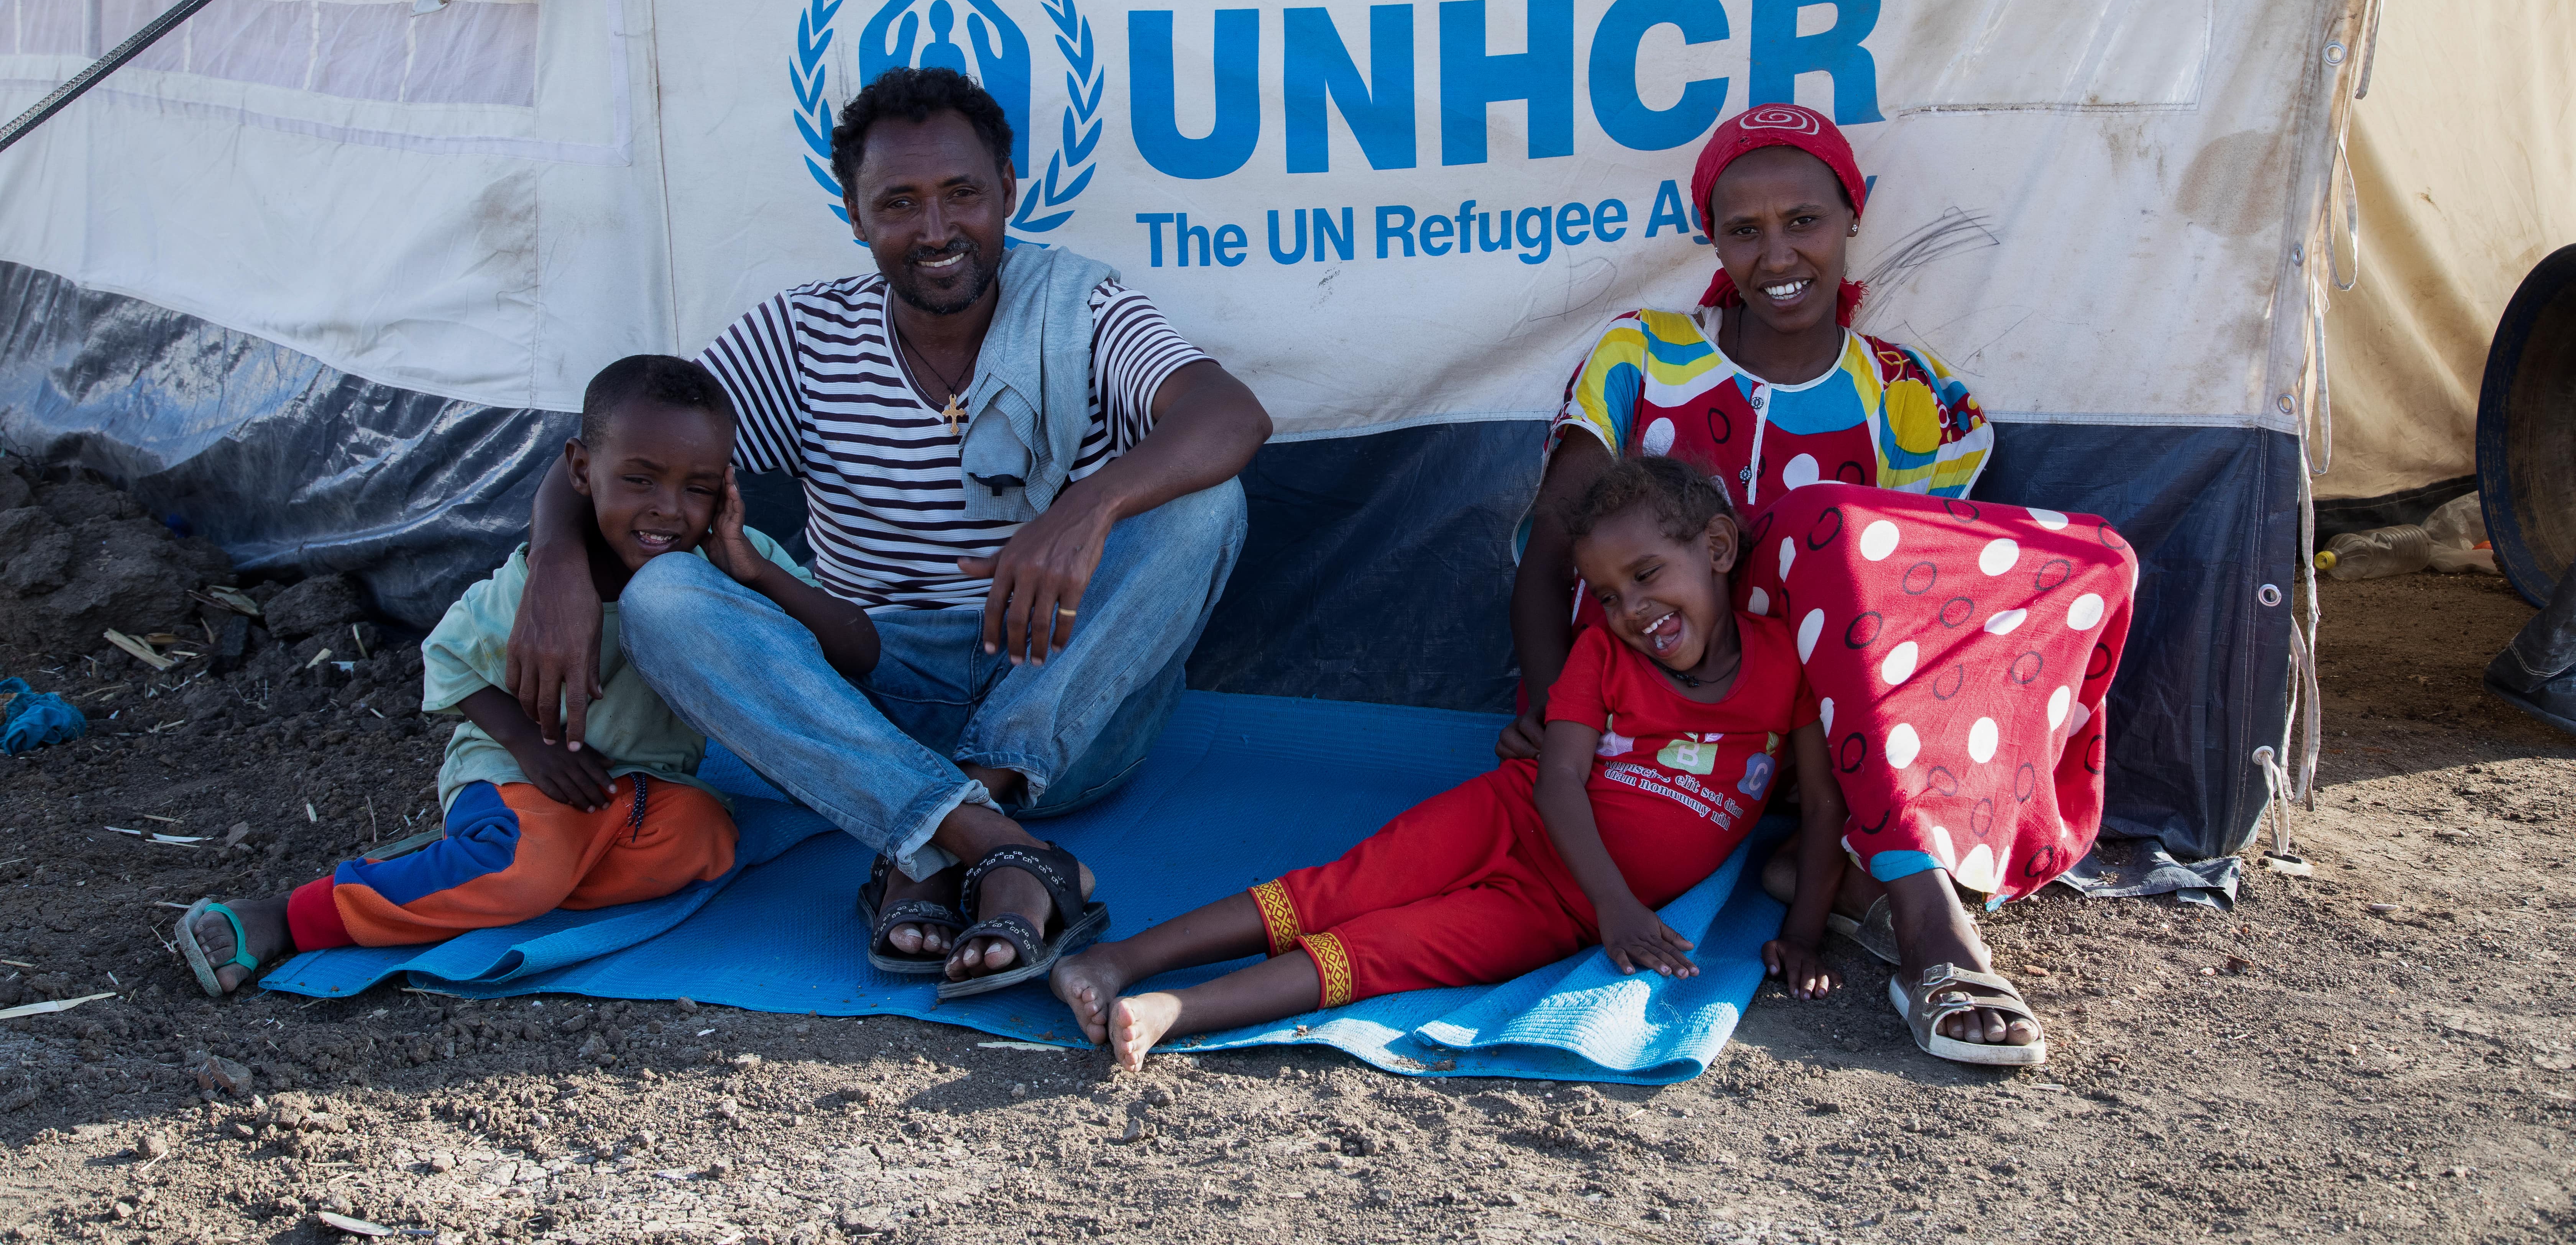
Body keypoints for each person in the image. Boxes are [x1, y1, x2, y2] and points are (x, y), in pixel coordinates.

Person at [506, 65, 1272, 996]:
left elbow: (1230, 414)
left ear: (1009, 194)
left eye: (963, 195)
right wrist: (557, 560)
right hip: (868, 700)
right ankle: (997, 847)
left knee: (1208, 502)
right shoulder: (801, 335)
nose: (938, 230)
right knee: (665, 597)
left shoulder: (1083, 308)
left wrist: (1081, 512)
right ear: (855, 213)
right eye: (899, 202)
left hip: (1066, 700)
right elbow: (622, 437)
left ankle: (935, 835)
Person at [1510, 101, 2125, 1066]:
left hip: (1829, 750)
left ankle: (1849, 856)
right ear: (1711, 239)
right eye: (1743, 229)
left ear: (1851, 215)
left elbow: (1923, 623)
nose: (1778, 252)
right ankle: (1927, 922)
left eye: (1804, 219)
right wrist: (1550, 705)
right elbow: (1551, 541)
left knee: (2098, 559)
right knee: (1821, 518)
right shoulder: (1646, 353)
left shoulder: (1914, 396)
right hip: (1651, 742)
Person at [1050, 456, 1841, 1069]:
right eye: (1605, 594)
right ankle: (1120, 956)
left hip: (1552, 916)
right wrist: (1618, 906)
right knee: (1335, 889)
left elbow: (1826, 808)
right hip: (1509, 818)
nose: (1631, 610)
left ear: (1718, 547)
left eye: (1645, 577)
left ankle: (1173, 1013)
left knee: (1386, 954)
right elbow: (1559, 778)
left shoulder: (1787, 668)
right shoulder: (1603, 654)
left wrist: (1804, 933)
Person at [173, 356, 859, 994]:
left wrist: (757, 572)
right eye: (640, 479)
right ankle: (292, 915)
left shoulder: (728, 562)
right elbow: (447, 657)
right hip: (523, 773)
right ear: (583, 470)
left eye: (698, 488)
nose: (669, 510)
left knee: (706, 842)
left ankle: (493, 868)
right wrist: (535, 748)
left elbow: (856, 652)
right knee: (525, 871)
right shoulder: (541, 589)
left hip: (642, 790)